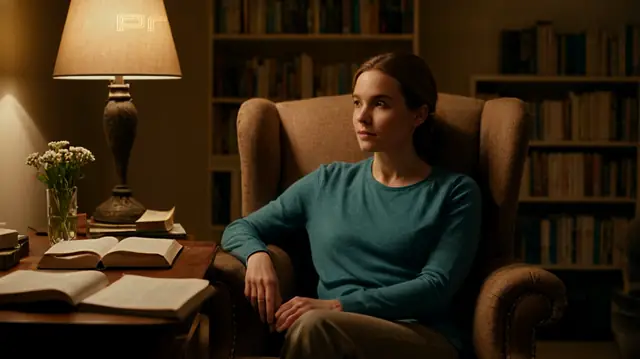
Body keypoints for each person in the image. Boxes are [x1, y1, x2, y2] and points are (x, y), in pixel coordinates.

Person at [221, 52, 482, 359]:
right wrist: (256, 256)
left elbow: (436, 286)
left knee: (313, 327)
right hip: (327, 331)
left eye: (380, 103)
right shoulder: (327, 182)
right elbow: (240, 227)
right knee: (314, 328)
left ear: (419, 115)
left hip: (418, 334)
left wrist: (338, 306)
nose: (362, 116)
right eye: (357, 102)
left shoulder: (456, 192)